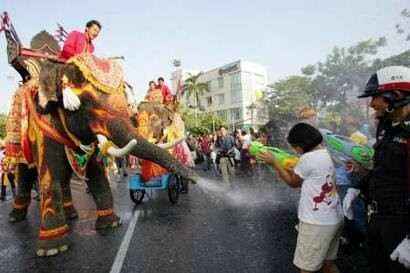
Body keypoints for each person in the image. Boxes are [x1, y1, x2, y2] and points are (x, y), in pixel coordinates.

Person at [346, 66, 410, 272]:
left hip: (402, 223)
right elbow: (383, 169)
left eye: (376, 96)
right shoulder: (386, 126)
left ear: (396, 95)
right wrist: (357, 187)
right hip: (377, 217)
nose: (372, 103)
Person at [258, 123, 343, 273]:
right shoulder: (325, 153)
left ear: (301, 144)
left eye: (294, 146)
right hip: (334, 216)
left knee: (306, 268)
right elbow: (312, 176)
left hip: (316, 222)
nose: (294, 150)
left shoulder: (307, 158)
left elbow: (293, 183)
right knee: (328, 266)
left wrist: (275, 163)